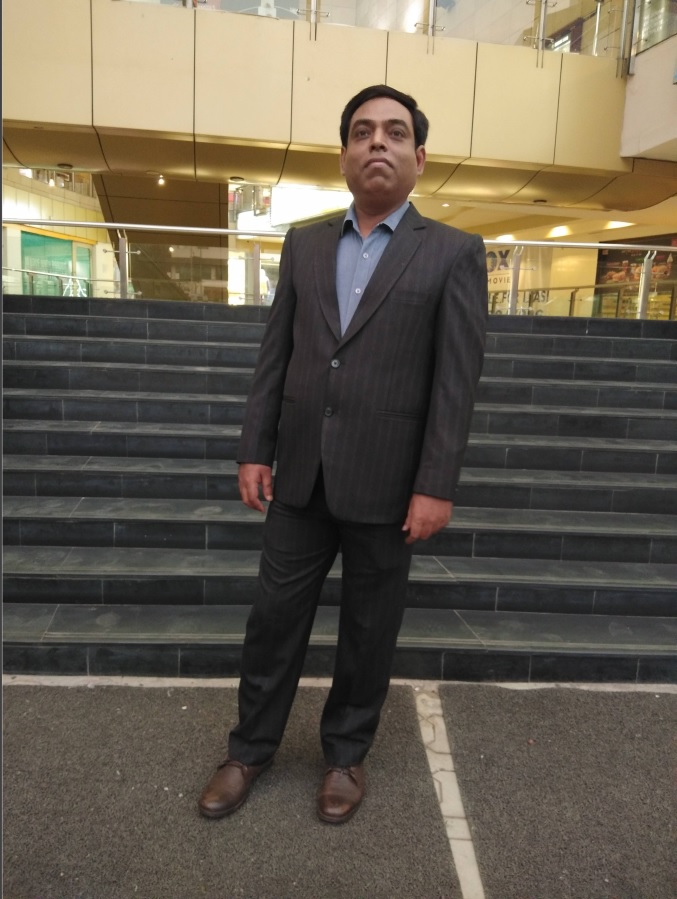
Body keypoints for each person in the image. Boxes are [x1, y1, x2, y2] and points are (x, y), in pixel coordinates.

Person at [198, 84, 488, 825]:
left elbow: (455, 381)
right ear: (343, 155)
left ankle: (345, 756)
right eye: (362, 132)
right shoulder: (305, 243)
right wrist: (254, 447)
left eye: (394, 132)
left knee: (368, 629)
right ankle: (248, 750)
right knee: (273, 621)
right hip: (299, 477)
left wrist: (435, 483)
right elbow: (277, 354)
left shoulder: (452, 253)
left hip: (390, 485)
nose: (377, 142)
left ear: (419, 158)